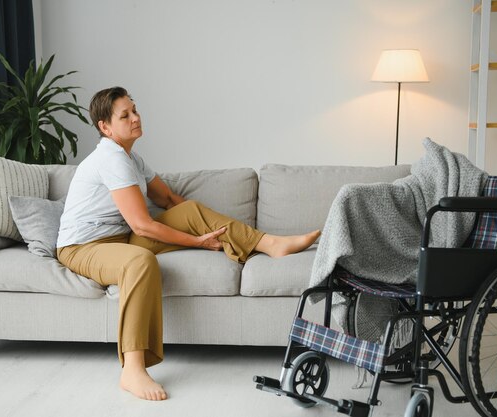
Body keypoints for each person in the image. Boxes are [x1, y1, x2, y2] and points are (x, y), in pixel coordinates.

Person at [56, 86, 320, 401]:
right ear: (105, 127)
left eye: (135, 110)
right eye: (125, 115)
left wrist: (195, 221)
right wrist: (196, 241)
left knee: (189, 209)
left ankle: (268, 243)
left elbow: (167, 199)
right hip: (83, 247)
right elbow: (143, 224)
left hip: (120, 238)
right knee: (139, 263)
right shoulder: (110, 159)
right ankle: (133, 369)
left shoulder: (132, 159)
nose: (136, 118)